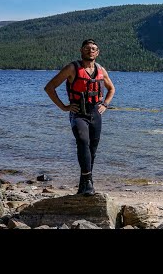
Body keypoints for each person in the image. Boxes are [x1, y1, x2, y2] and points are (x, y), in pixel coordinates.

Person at [44, 39, 115, 196]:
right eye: (87, 48)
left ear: (97, 53)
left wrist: (106, 104)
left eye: (94, 49)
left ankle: (85, 183)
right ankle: (87, 180)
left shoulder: (101, 70)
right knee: (83, 141)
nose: (91, 50)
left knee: (92, 149)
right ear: (81, 50)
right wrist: (64, 107)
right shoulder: (72, 68)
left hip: (96, 113)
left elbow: (111, 89)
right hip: (78, 113)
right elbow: (49, 87)